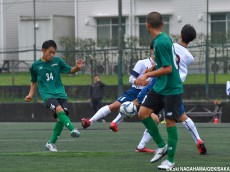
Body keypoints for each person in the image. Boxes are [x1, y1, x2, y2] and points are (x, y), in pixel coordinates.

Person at [135, 24, 207, 155]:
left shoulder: (171, 45)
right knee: (181, 116)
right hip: (175, 87)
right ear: (191, 40)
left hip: (162, 83)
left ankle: (144, 145)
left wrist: (151, 69)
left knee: (149, 115)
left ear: (180, 35)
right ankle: (198, 139)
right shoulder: (190, 57)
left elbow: (163, 61)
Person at [136, 11, 183, 170]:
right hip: (160, 87)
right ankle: (161, 146)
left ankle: (170, 161)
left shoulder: (161, 42)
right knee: (142, 113)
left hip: (172, 89)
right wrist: (152, 67)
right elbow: (165, 61)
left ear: (147, 26)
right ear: (162, 24)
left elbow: (168, 68)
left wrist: (148, 74)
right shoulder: (162, 39)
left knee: (170, 122)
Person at [81, 40, 155, 131]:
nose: (160, 51)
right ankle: (90, 121)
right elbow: (130, 79)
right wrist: (137, 82)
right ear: (151, 50)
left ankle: (115, 123)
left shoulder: (162, 65)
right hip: (135, 91)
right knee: (115, 105)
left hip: (151, 94)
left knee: (154, 118)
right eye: (157, 49)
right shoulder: (142, 63)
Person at [25, 40, 84, 152]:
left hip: (61, 94)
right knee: (59, 109)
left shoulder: (57, 61)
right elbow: (33, 81)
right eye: (50, 52)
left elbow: (70, 70)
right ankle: (73, 129)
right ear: (43, 50)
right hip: (48, 95)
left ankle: (50, 143)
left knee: (60, 119)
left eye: (54, 53)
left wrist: (77, 67)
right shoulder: (35, 66)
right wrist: (30, 94)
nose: (52, 55)